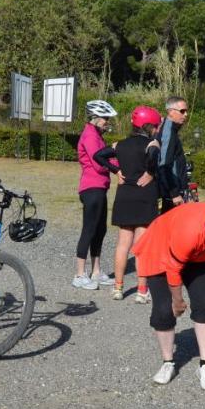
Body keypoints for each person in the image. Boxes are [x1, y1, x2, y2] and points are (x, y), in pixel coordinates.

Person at [133, 202, 205, 391]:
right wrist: (177, 302)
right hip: (163, 247)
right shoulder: (189, 233)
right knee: (164, 310)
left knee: (204, 305)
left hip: (198, 255)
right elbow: (173, 269)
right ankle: (168, 363)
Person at [99, 105, 161, 303]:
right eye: (156, 126)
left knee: (122, 245)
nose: (157, 129)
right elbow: (152, 158)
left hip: (124, 195)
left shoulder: (119, 145)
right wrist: (150, 173)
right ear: (149, 126)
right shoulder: (152, 144)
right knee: (141, 246)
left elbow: (98, 156)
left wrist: (115, 170)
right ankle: (142, 291)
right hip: (144, 196)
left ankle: (118, 288)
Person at [74, 99, 119, 290]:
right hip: (92, 187)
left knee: (100, 230)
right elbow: (99, 164)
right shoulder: (90, 136)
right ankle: (79, 274)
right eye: (105, 118)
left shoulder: (97, 135)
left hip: (100, 188)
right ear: (94, 117)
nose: (107, 121)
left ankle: (96, 271)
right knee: (89, 229)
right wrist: (117, 163)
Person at [155, 96, 190, 213]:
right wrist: (174, 193)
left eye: (186, 111)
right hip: (170, 194)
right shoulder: (168, 131)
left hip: (171, 191)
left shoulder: (171, 129)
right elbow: (164, 164)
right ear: (170, 112)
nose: (186, 114)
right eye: (182, 111)